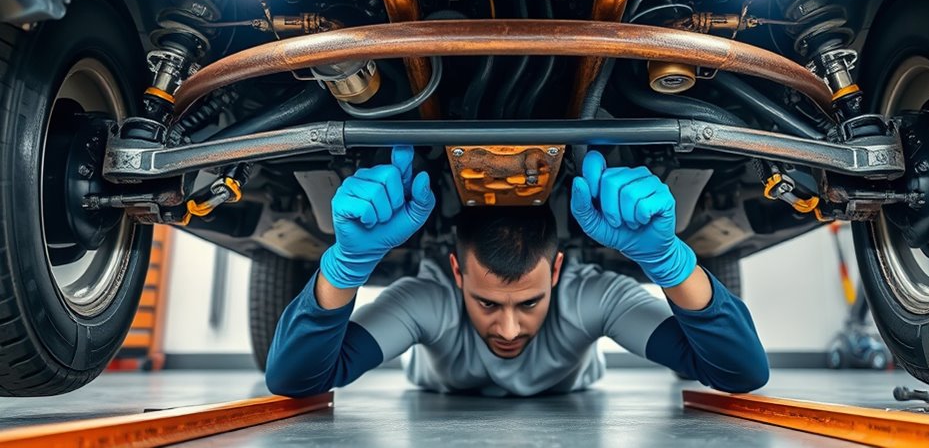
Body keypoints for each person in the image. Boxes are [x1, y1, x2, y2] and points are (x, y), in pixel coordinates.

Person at [265, 146, 769, 397]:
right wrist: (345, 265)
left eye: (528, 303)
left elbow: (738, 372)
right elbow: (296, 379)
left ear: (557, 272)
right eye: (488, 303)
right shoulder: (428, 299)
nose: (508, 330)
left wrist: (670, 261)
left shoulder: (591, 296)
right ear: (457, 272)